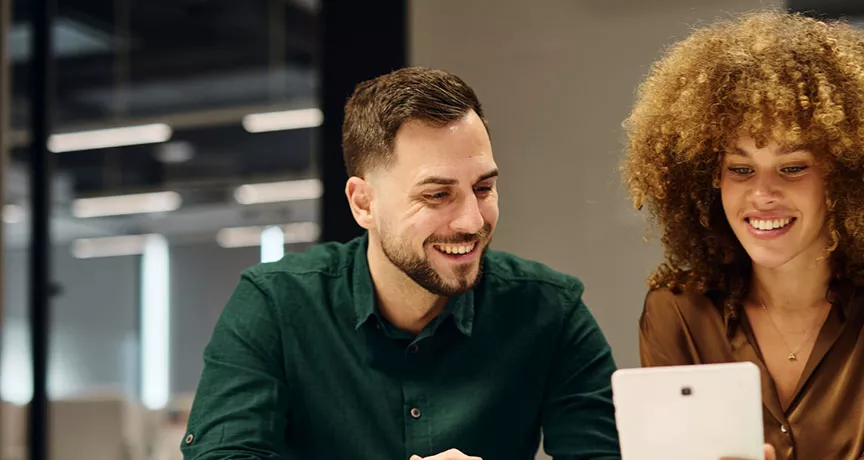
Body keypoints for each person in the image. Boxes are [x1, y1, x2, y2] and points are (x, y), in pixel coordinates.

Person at [181, 67, 620, 460]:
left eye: (483, 188)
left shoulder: (549, 309)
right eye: (437, 195)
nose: (472, 221)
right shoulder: (276, 303)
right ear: (363, 203)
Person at [622, 11, 864, 460]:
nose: (762, 194)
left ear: (846, 176)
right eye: (740, 169)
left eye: (793, 167)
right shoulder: (678, 313)